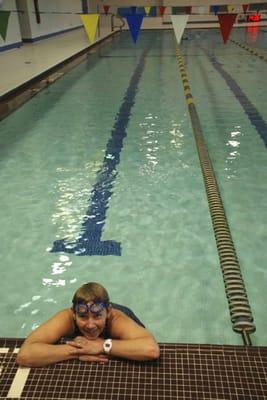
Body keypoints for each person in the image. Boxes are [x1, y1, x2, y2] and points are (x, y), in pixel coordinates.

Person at [16, 282, 160, 367]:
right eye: (83, 317)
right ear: (74, 313)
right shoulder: (66, 318)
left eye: (97, 316)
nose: (90, 325)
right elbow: (25, 355)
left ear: (108, 312)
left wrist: (102, 345)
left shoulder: (117, 320)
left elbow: (150, 350)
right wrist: (81, 351)